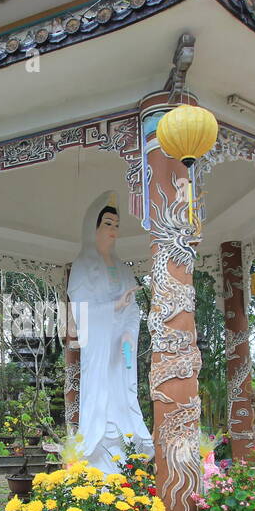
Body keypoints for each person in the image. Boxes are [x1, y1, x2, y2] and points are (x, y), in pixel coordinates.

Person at [66, 192, 153, 473]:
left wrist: (128, 333)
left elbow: (133, 309)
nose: (113, 231)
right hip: (99, 349)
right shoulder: (83, 265)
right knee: (100, 398)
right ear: (93, 228)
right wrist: (114, 306)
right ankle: (97, 462)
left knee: (122, 399)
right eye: (107, 224)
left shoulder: (123, 269)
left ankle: (125, 461)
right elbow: (82, 312)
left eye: (117, 225)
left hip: (119, 351)